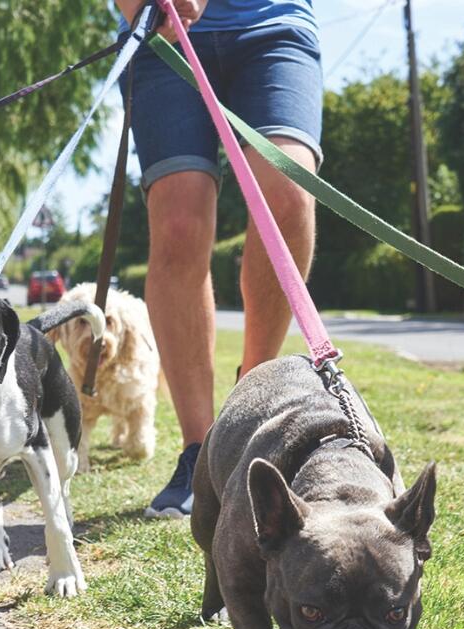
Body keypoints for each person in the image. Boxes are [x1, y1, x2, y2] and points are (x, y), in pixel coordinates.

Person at [112, 0, 322, 518]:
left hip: (274, 25)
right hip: (162, 36)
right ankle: (199, 452)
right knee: (179, 223)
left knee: (289, 194)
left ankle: (247, 418)